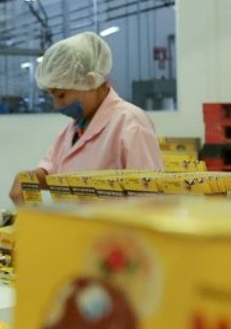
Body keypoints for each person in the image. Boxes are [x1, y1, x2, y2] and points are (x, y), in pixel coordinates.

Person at [9, 31, 162, 205]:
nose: (57, 105)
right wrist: (28, 178)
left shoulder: (130, 123)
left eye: (61, 95)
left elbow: (149, 200)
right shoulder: (73, 130)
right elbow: (51, 171)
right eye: (52, 96)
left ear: (90, 82)